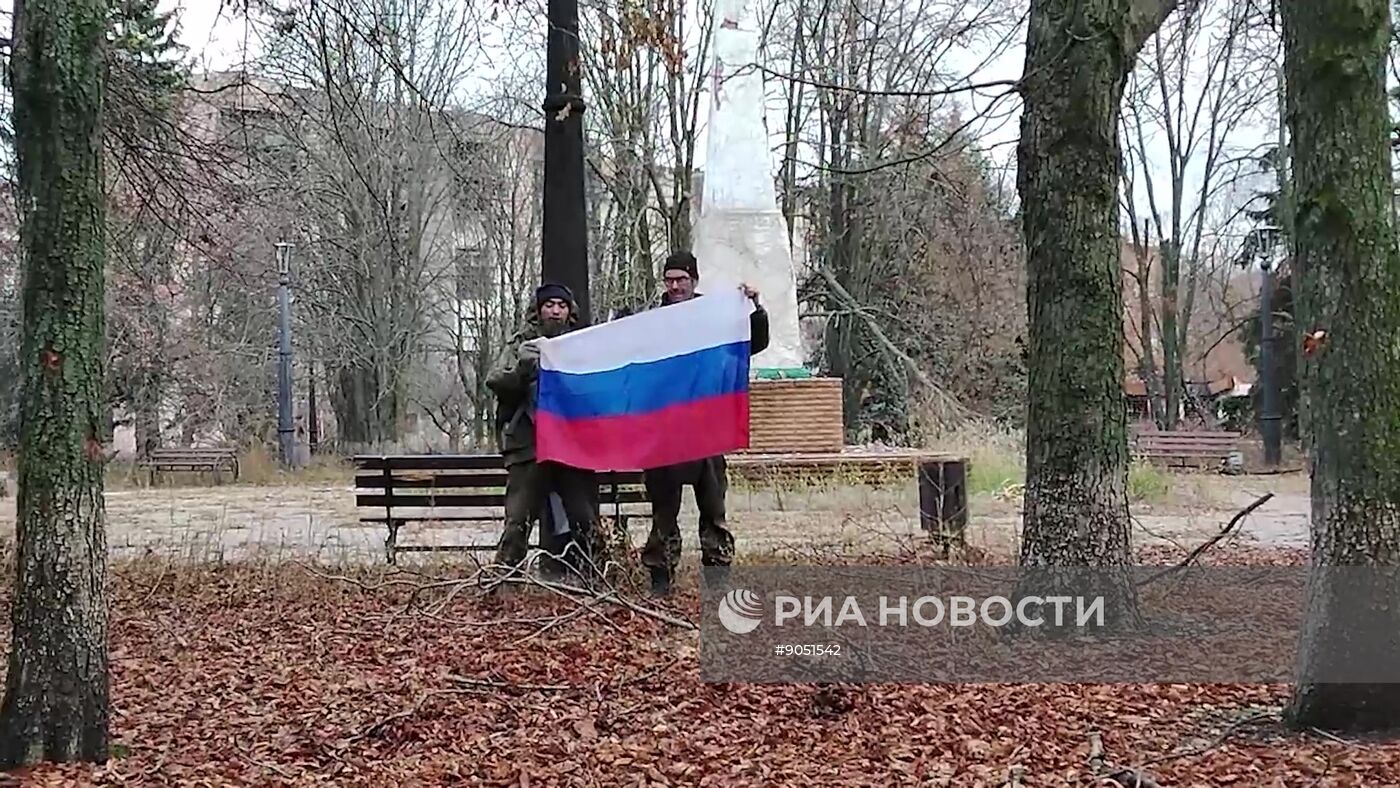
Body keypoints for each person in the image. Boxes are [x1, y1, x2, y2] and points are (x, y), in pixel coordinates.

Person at [641, 250, 770, 596]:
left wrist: (755, 309)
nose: (675, 286)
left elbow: (752, 343)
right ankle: (661, 579)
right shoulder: (651, 322)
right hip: (665, 435)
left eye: (682, 279)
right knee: (663, 515)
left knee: (713, 511)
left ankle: (718, 579)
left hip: (707, 432)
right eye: (669, 280)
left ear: (694, 281)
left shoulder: (715, 318)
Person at [485, 283, 604, 583]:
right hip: (530, 444)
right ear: (538, 310)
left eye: (561, 305)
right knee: (518, 522)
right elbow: (496, 382)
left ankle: (599, 579)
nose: (555, 310)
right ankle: (505, 583)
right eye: (549, 304)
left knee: (585, 518)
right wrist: (524, 370)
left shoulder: (582, 344)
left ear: (570, 311)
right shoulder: (521, 344)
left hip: (572, 445)